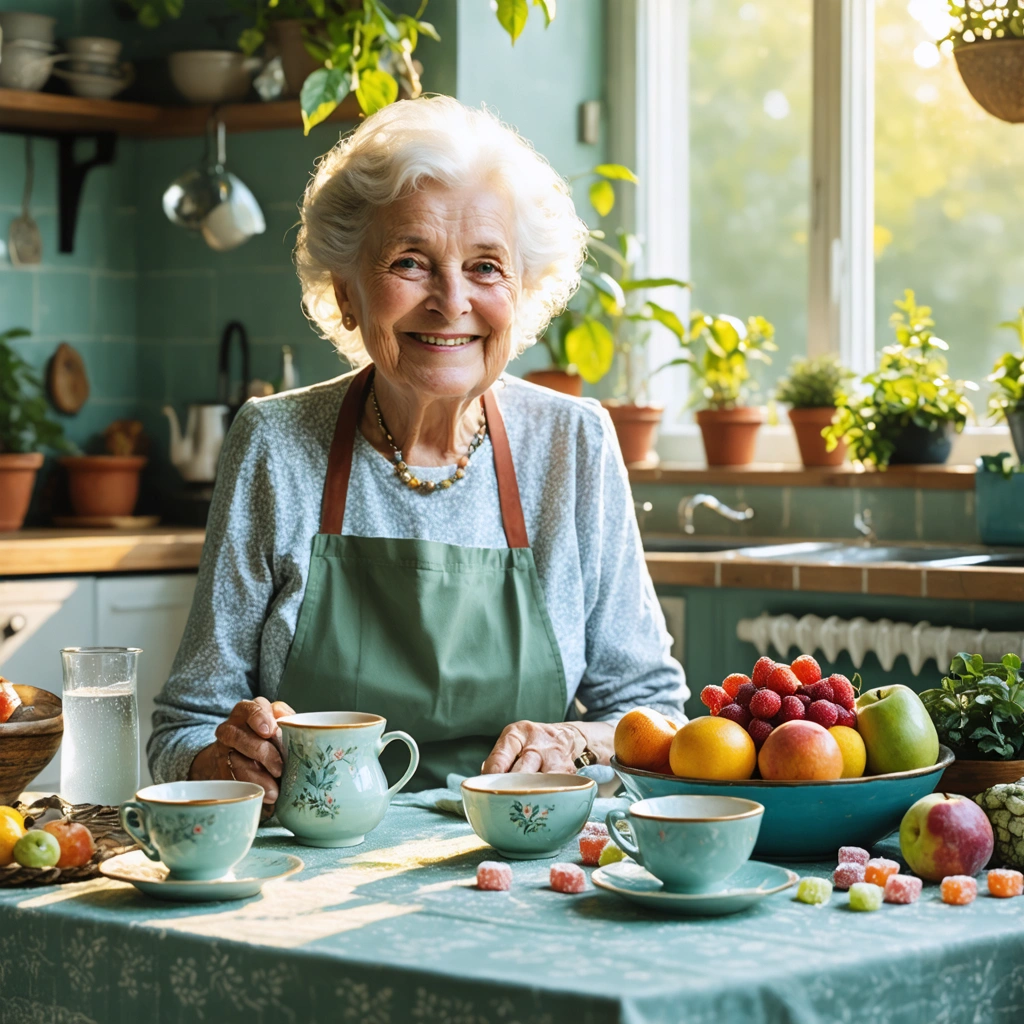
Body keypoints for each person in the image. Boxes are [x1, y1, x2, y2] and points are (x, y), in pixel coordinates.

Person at [149, 95, 687, 813]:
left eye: (486, 267)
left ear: (523, 295)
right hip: (319, 864)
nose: (451, 300)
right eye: (410, 261)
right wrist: (228, 758)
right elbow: (183, 728)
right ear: (346, 294)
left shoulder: (572, 443)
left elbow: (656, 718)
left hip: (519, 856)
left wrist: (573, 743)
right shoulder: (275, 443)